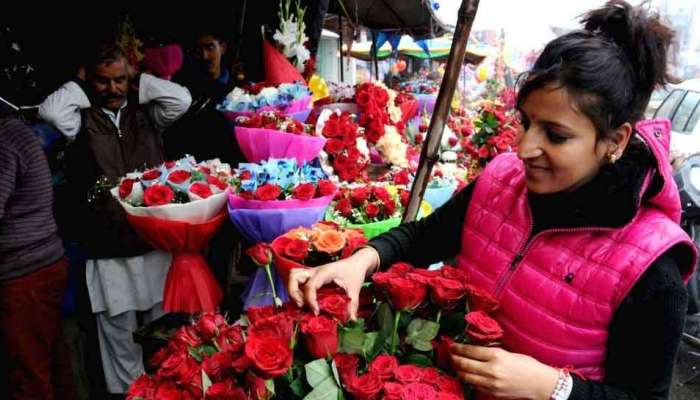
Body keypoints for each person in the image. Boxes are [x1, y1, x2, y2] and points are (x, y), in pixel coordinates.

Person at [288, 2, 696, 400]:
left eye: (555, 135)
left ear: (616, 140)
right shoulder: (502, 181)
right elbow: (425, 237)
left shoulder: (650, 265)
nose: (524, 148)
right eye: (525, 122)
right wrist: (361, 261)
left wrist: (553, 388)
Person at [39, 43, 191, 396]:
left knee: (164, 331)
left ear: (131, 76)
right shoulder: (79, 120)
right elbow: (50, 111)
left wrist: (139, 80)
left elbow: (181, 99)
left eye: (120, 79)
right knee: (119, 338)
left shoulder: (149, 114)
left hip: (154, 243)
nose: (113, 89)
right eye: (103, 81)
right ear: (89, 79)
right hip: (107, 249)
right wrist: (79, 86)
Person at [0, 113, 75, 399]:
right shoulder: (15, 132)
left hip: (24, 273)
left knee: (28, 375)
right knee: (50, 364)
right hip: (39, 266)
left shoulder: (5, 141)